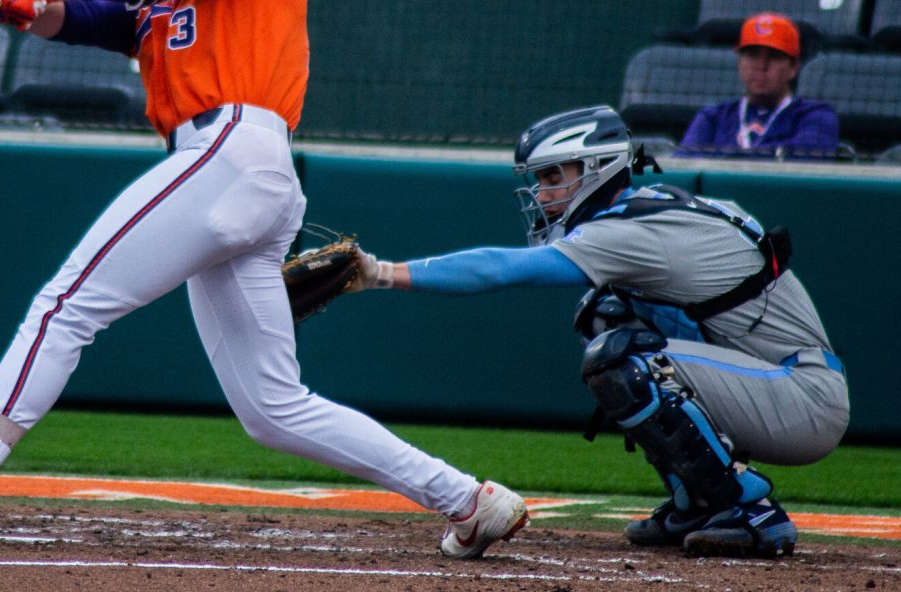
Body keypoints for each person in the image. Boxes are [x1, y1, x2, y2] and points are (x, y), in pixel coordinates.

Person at [0, 0, 527, 560]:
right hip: (242, 174)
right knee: (274, 409)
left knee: (64, 307)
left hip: (229, 147)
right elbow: (91, 18)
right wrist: (8, 4)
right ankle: (467, 499)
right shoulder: (176, 0)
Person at [349, 105, 849, 559]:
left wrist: (383, 273)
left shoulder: (628, 230)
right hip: (771, 381)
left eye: (552, 177)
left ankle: (750, 511)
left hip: (803, 399)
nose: (543, 194)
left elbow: (501, 269)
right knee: (605, 313)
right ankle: (696, 501)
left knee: (624, 360)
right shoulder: (645, 206)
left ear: (595, 168)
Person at [675, 12, 839, 159]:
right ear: (740, 62)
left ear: (793, 67)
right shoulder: (713, 117)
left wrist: (721, 158)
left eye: (774, 56)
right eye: (752, 55)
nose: (761, 65)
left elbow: (805, 162)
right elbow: (684, 164)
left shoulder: (816, 116)